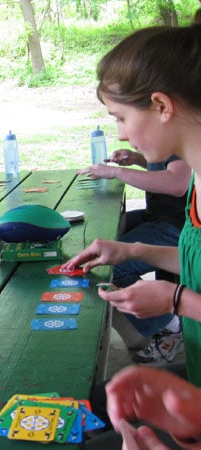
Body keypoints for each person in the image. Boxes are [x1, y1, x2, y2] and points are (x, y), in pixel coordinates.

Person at [60, 13, 201, 448]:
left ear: (161, 105)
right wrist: (130, 250)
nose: (121, 133)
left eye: (120, 117)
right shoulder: (196, 176)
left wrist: (177, 299)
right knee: (76, 407)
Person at [78, 150, 190, 364]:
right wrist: (139, 160)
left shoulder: (180, 137)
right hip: (157, 217)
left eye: (123, 119)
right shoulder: (167, 138)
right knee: (101, 237)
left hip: (176, 228)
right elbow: (168, 166)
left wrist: (116, 172)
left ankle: (171, 327)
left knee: (111, 267)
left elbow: (178, 182)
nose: (123, 135)